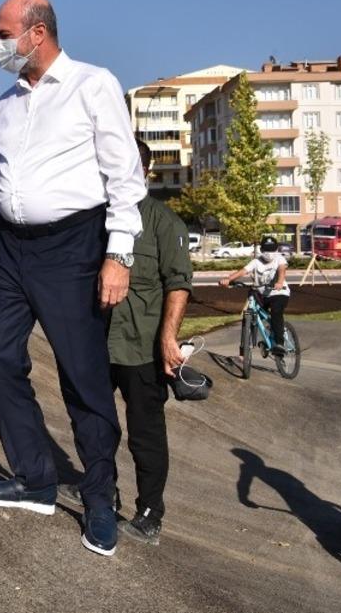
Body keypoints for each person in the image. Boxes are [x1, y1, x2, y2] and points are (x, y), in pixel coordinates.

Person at [0, 0, 146, 557]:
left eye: (3, 33)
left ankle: (100, 496)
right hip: (10, 251)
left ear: (36, 33)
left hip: (73, 247)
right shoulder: (9, 104)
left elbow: (125, 177)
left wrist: (119, 254)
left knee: (82, 377)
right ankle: (35, 478)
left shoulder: (94, 85)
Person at [98, 138, 192, 546]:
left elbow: (178, 285)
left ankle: (150, 510)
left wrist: (168, 339)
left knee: (145, 434)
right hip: (96, 343)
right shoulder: (93, 218)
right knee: (95, 425)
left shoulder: (163, 222)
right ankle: (102, 494)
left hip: (141, 346)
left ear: (145, 170)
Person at [219, 235, 289, 350]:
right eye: (266, 250)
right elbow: (243, 271)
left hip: (279, 292)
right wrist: (228, 279)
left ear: (276, 250)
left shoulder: (279, 259)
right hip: (262, 294)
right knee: (251, 316)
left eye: (272, 250)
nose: (269, 253)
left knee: (276, 312)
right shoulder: (256, 262)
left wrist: (280, 282)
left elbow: (282, 270)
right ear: (261, 250)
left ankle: (279, 343)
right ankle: (248, 345)